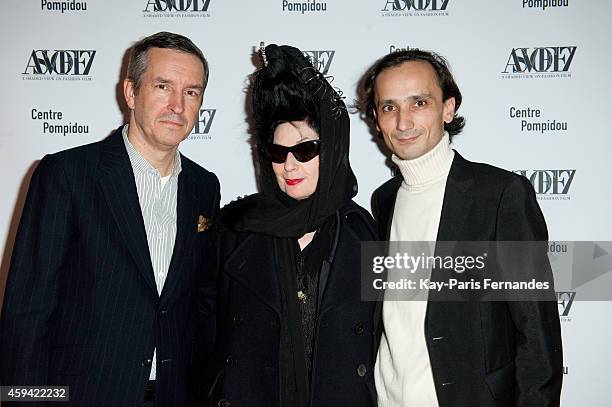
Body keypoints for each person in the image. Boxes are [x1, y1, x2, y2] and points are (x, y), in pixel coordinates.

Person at [0, 32, 219, 406]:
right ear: (131, 93)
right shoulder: (67, 174)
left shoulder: (204, 186)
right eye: (163, 86)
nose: (177, 105)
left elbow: (201, 305)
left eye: (191, 92)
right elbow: (27, 311)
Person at [359, 49, 563, 407]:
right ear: (377, 119)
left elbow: (538, 334)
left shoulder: (500, 195)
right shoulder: (384, 200)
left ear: (448, 108)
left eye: (419, 102)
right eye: (389, 107)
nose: (403, 122)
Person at [208, 44, 378, 407]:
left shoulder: (365, 235)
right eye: (277, 153)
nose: (289, 166)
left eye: (304, 150)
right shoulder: (233, 230)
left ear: (331, 148)